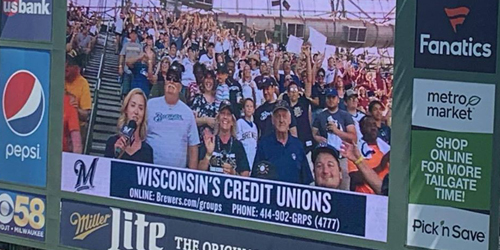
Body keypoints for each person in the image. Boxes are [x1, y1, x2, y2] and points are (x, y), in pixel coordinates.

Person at [146, 61, 199, 169]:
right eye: (169, 78)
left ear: (180, 87)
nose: (171, 82)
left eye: (175, 80)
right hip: (149, 172)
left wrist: (192, 173)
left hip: (176, 177)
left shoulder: (187, 112)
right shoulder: (150, 105)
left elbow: (193, 146)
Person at [251, 100, 313, 185]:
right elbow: (255, 178)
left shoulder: (298, 146)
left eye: (284, 116)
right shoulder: (263, 144)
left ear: (290, 120)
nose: (281, 120)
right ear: (272, 120)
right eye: (278, 116)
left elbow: (306, 179)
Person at [312, 88, 356, 191]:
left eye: (333, 97)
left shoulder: (345, 115)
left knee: (344, 187)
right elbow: (313, 133)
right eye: (329, 97)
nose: (331, 100)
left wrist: (337, 131)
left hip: (342, 156)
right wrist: (317, 138)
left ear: (338, 99)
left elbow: (353, 137)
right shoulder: (320, 116)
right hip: (326, 155)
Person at [199, 100, 251, 176]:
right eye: (223, 113)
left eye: (228, 114)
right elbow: (198, 171)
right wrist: (208, 154)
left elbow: (245, 173)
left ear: (233, 121)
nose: (225, 117)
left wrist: (234, 173)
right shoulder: (210, 141)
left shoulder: (238, 145)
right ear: (218, 118)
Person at [105, 89, 154, 163]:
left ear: (144, 114)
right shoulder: (112, 142)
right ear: (126, 109)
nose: (136, 111)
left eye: (140, 108)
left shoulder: (147, 150)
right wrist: (116, 155)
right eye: (133, 105)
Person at [347, 116, 389, 194]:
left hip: (386, 196)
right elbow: (355, 179)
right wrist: (381, 166)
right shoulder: (355, 151)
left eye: (374, 125)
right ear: (361, 129)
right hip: (365, 198)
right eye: (369, 125)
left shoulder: (386, 149)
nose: (373, 128)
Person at [65, 50, 91, 142]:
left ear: (77, 68)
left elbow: (86, 115)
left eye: (69, 65)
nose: (66, 67)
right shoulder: (57, 77)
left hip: (76, 128)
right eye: (65, 63)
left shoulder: (83, 83)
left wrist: (75, 109)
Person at [282, 82, 314, 154]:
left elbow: (309, 83)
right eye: (291, 90)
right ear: (288, 93)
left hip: (306, 138)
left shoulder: (304, 102)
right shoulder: (286, 108)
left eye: (295, 90)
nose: (293, 92)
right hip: (293, 141)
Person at [191, 72, 218, 139]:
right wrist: (205, 120)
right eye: (206, 78)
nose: (208, 81)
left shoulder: (218, 100)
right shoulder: (198, 99)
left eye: (211, 78)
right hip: (199, 140)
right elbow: (192, 120)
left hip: (215, 140)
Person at [119, 30, 142, 97]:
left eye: (135, 34)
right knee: (125, 90)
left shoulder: (139, 46)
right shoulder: (126, 45)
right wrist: (120, 66)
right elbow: (122, 56)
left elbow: (141, 57)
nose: (133, 36)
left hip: (135, 72)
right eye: (132, 34)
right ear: (130, 35)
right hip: (126, 70)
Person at [237, 98, 258, 170]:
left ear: (254, 109)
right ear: (243, 109)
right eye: (247, 106)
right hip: (244, 154)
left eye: (251, 106)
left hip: (253, 155)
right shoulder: (239, 122)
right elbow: (238, 140)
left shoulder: (254, 126)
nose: (249, 108)